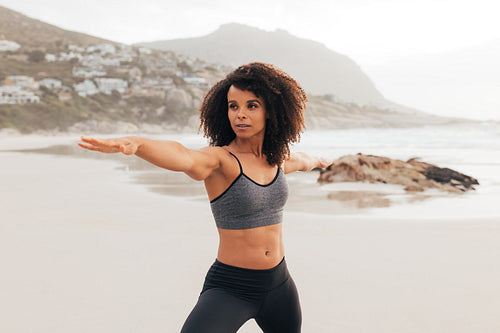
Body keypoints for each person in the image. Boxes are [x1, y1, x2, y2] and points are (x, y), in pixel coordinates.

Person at [78, 62, 329, 333]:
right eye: (233, 106)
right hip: (232, 287)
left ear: (271, 111)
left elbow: (306, 160)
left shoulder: (277, 160)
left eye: (251, 106)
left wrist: (328, 163)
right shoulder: (220, 160)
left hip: (280, 284)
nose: (240, 115)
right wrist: (139, 144)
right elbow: (184, 156)